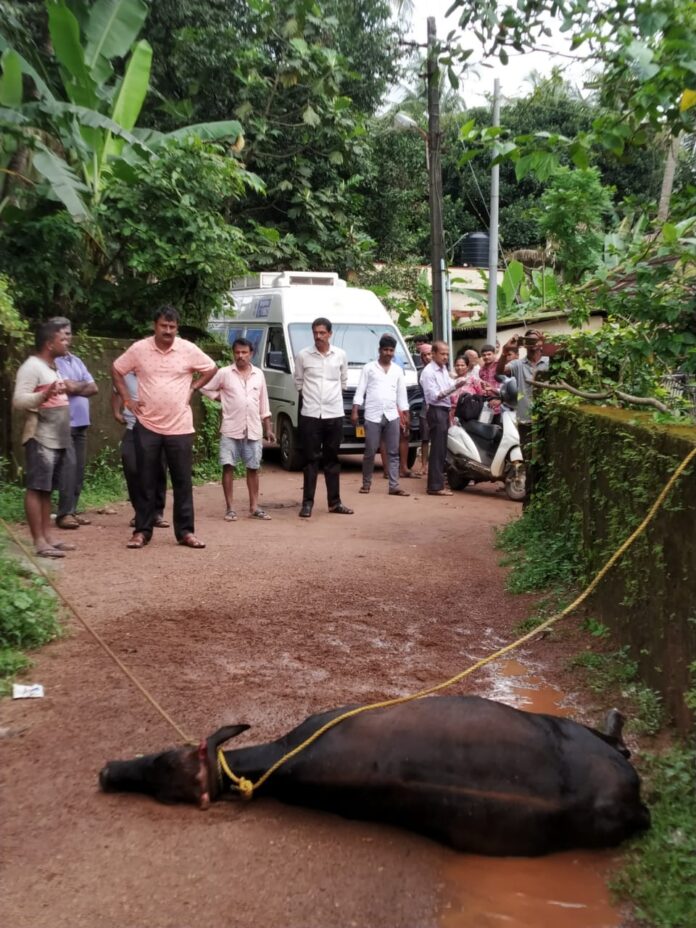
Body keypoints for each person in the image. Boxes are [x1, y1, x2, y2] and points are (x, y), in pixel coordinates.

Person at [112, 306, 217, 549]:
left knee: (182, 481)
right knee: (145, 480)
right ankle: (142, 531)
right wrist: (127, 399)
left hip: (180, 426)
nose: (168, 331)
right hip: (147, 425)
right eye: (163, 326)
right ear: (155, 326)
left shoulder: (187, 349)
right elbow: (117, 369)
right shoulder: (139, 349)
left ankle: (186, 533)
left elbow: (211, 368)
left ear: (177, 328)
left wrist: (194, 387)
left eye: (172, 327)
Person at [12, 321, 75, 558]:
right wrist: (44, 395)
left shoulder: (52, 367)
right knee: (36, 487)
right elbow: (19, 400)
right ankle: (38, 541)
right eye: (63, 339)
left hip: (57, 437)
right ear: (49, 344)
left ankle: (48, 536)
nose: (67, 342)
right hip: (40, 436)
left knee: (47, 489)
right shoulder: (31, 367)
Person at [200, 337, 276, 521]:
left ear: (251, 354)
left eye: (244, 352)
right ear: (233, 353)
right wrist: (221, 398)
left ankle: (254, 507)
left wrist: (268, 428)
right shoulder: (224, 373)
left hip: (253, 429)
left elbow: (264, 403)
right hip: (230, 428)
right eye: (237, 352)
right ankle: (230, 508)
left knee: (253, 467)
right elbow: (205, 388)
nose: (240, 356)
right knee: (228, 466)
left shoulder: (258, 374)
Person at [294, 317, 352, 518]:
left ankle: (334, 503)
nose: (318, 336)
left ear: (330, 334)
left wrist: (330, 400)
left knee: (332, 459)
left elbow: (343, 381)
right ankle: (307, 504)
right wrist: (311, 400)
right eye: (315, 333)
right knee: (310, 460)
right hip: (310, 414)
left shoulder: (340, 355)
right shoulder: (303, 355)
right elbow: (299, 382)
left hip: (334, 414)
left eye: (322, 333)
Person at [50, 317, 98, 530]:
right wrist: (80, 386)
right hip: (64, 422)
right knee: (67, 468)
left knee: (78, 468)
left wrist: (75, 387)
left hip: (81, 423)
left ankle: (72, 509)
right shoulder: (51, 362)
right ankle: (64, 514)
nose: (66, 337)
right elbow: (65, 387)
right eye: (62, 334)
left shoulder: (76, 361)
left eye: (68, 333)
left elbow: (94, 388)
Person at [351, 334, 410, 497]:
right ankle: (366, 483)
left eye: (391, 350)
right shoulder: (369, 368)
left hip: (392, 414)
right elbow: (360, 390)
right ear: (379, 350)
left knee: (393, 452)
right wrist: (355, 410)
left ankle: (394, 485)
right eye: (386, 350)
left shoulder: (397, 370)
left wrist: (406, 414)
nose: (388, 353)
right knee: (370, 451)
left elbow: (401, 394)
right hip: (372, 415)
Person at [497, 329, 550, 501]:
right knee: (528, 460)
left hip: (546, 420)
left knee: (546, 461)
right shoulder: (518, 364)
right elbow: (499, 372)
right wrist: (505, 351)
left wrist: (549, 344)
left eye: (535, 340)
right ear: (523, 344)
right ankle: (530, 500)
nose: (531, 343)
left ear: (541, 343)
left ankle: (543, 499)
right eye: (528, 340)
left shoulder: (549, 362)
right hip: (526, 421)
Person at [111, 374, 169, 530]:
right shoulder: (125, 375)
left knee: (158, 469)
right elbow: (116, 392)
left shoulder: (156, 372)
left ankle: (156, 513)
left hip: (156, 428)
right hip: (132, 427)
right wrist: (116, 413)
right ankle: (141, 512)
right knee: (131, 466)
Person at [420, 341, 466, 496]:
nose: (446, 357)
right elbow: (434, 396)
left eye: (447, 354)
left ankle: (437, 484)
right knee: (437, 449)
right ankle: (434, 486)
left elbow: (448, 383)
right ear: (433, 354)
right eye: (442, 354)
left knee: (441, 449)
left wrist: (458, 382)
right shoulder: (428, 372)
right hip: (436, 410)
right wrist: (455, 387)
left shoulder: (443, 369)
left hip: (444, 410)